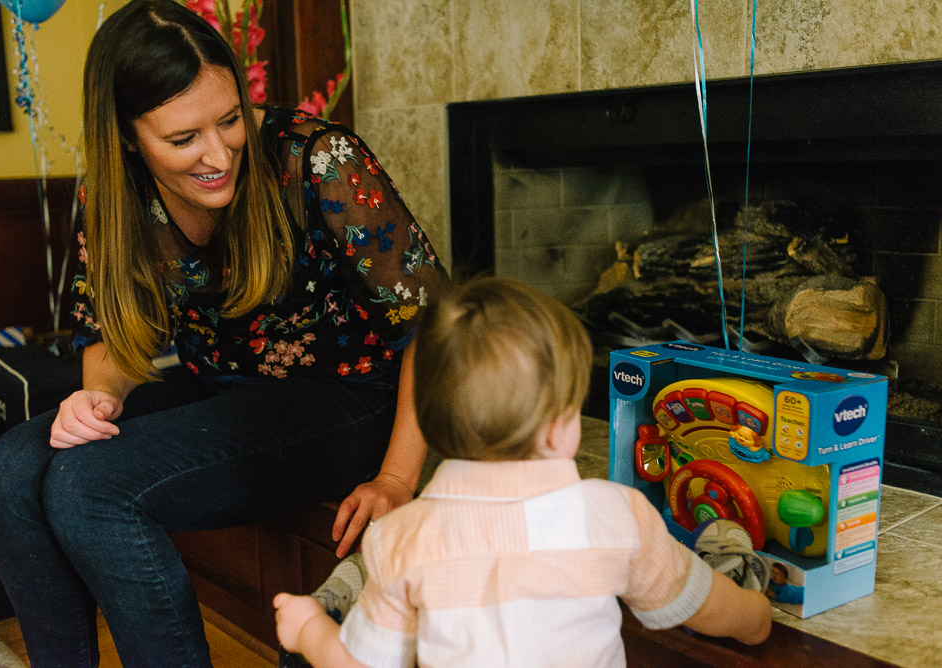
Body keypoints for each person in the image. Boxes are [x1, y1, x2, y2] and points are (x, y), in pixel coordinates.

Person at [0, 1, 445, 665]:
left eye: (230, 121)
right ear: (129, 136)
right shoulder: (112, 194)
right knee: (4, 473)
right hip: (220, 387)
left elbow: (437, 330)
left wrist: (397, 478)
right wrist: (101, 399)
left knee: (87, 490)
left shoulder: (320, 159)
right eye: (184, 137)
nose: (219, 153)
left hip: (353, 397)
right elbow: (109, 337)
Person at [273, 277, 772, 667]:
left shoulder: (399, 541)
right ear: (558, 432)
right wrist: (755, 619)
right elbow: (701, 604)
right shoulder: (615, 517)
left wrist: (308, 629)